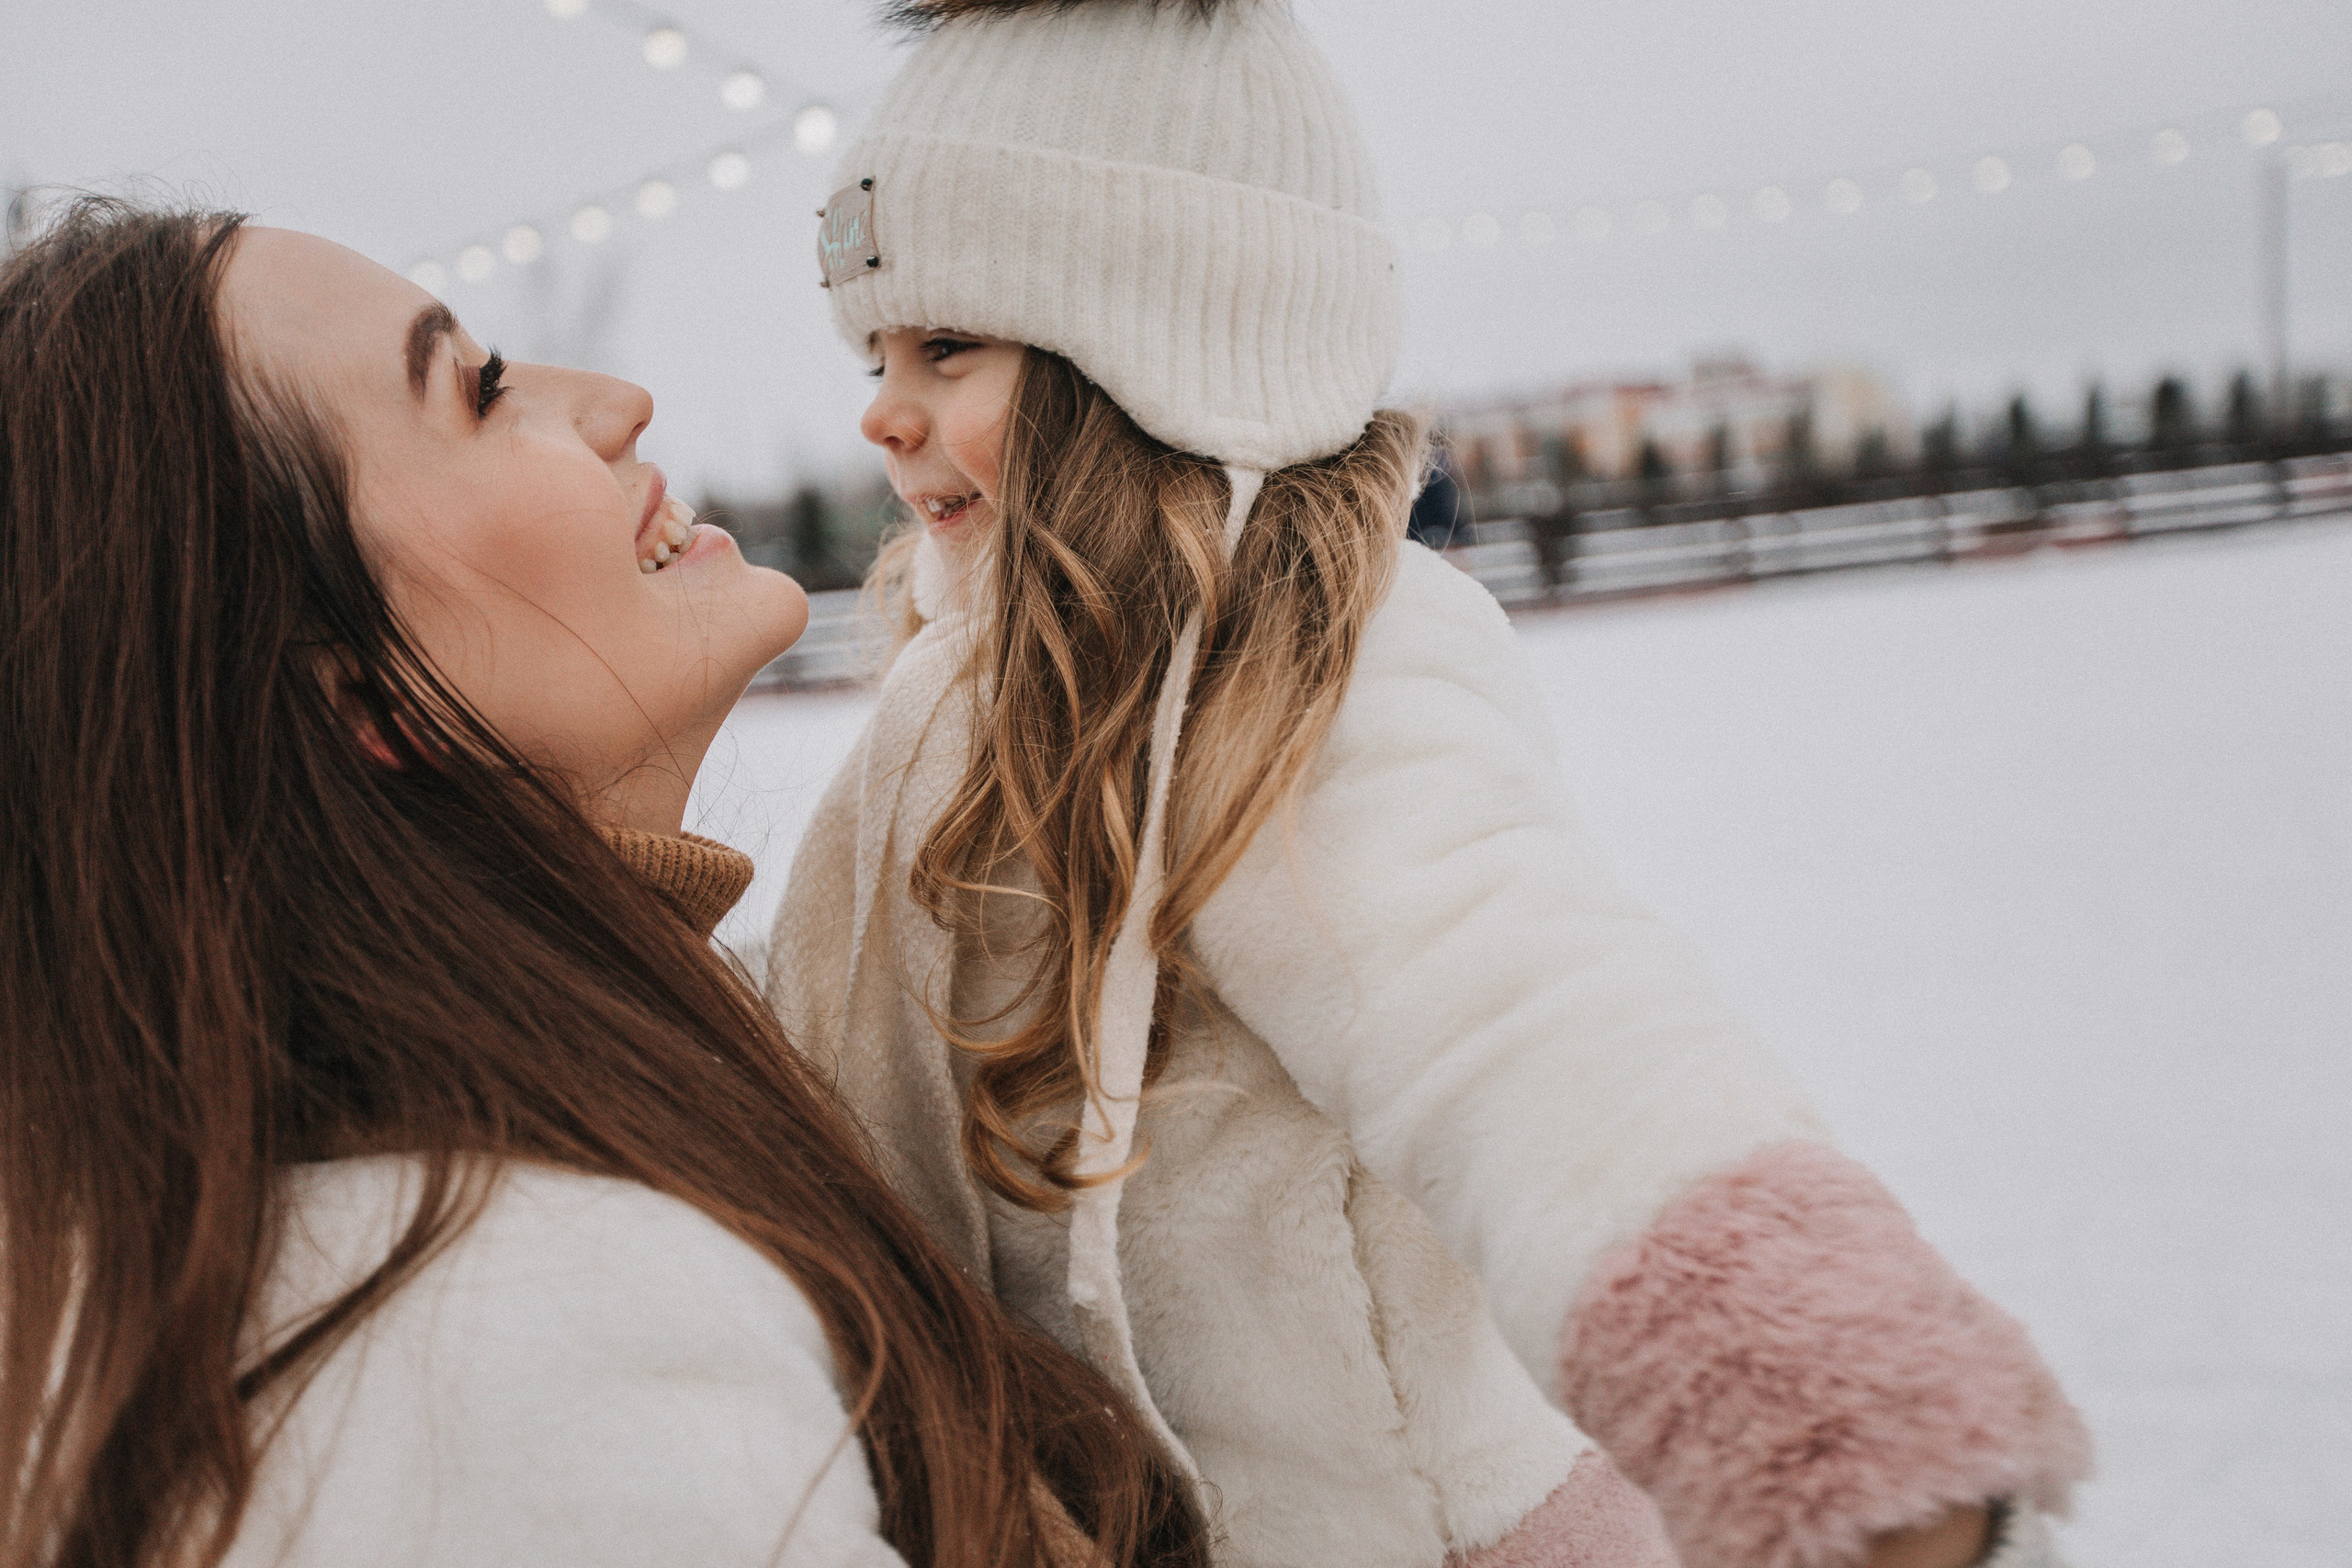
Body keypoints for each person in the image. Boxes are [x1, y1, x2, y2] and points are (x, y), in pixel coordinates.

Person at [765, 4, 2092, 1568]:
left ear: (1149, 342)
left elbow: (1516, 1013)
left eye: (947, 345)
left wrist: (1820, 1398)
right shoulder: (970, 687)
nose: (880, 408)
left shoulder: (1303, 666)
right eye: (873, 353)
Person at [0, 200, 1208, 1568]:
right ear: (354, 694)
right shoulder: (498, 1334)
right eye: (478, 389)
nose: (621, 402)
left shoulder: (623, 1087)